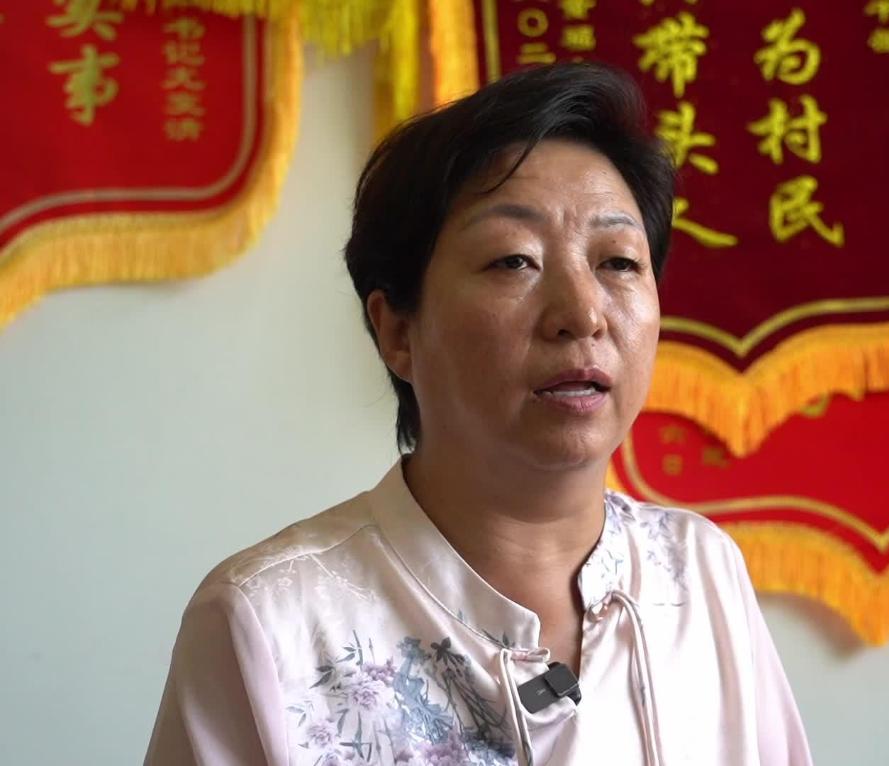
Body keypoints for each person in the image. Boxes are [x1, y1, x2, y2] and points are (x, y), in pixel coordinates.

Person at [145, 63, 812, 766]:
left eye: (617, 262)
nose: (582, 313)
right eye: (513, 261)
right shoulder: (269, 621)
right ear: (398, 330)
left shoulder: (698, 571)